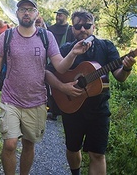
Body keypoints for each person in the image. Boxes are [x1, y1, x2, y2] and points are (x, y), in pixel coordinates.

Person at [0, 0, 89, 175]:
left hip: (36, 101)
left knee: (29, 144)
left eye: (30, 9)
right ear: (17, 13)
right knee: (10, 144)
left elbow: (60, 66)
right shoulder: (6, 37)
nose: (26, 12)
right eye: (23, 9)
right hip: (10, 100)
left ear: (36, 14)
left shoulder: (46, 37)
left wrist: (73, 53)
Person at [45, 10, 135, 175]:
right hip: (72, 108)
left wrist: (127, 68)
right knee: (72, 148)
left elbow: (119, 76)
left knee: (97, 154)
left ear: (93, 27)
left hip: (99, 109)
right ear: (72, 29)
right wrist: (63, 87)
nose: (82, 30)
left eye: (86, 26)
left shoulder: (106, 47)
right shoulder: (66, 49)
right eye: (78, 26)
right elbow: (48, 72)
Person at [46, 8, 75, 120]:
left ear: (66, 17)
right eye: (57, 15)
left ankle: (62, 109)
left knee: (63, 84)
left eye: (60, 15)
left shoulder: (71, 30)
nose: (58, 17)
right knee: (50, 84)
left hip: (66, 61)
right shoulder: (50, 29)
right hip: (50, 61)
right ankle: (51, 110)